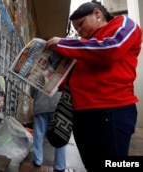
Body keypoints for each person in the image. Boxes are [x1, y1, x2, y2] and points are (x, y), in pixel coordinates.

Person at [45, 1, 142, 171]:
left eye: (81, 25)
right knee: (92, 165)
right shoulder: (84, 46)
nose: (80, 31)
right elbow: (75, 79)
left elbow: (112, 48)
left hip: (111, 109)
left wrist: (64, 44)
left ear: (97, 13)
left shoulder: (124, 24)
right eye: (76, 29)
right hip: (82, 113)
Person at [30, 87, 66, 172]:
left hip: (40, 105)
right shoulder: (64, 73)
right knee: (60, 135)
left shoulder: (39, 73)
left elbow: (32, 92)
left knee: (39, 134)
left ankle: (37, 160)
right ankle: (59, 165)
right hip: (58, 105)